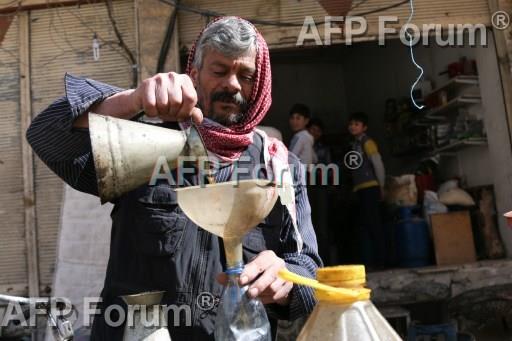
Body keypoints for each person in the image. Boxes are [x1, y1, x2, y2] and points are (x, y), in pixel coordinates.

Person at [26, 17, 322, 340]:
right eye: (219, 71)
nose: (233, 84)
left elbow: (308, 270)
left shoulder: (278, 166)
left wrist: (288, 278)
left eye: (245, 75)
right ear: (194, 75)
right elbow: (48, 136)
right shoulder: (142, 143)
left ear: (260, 81)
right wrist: (133, 100)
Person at [347, 112, 386, 268]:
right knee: (365, 226)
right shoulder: (355, 144)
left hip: (370, 188)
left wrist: (381, 185)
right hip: (360, 189)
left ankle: (381, 262)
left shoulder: (367, 142)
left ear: (365, 127)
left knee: (374, 225)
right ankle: (370, 262)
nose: (352, 127)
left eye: (356, 124)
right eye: (351, 124)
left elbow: (378, 164)